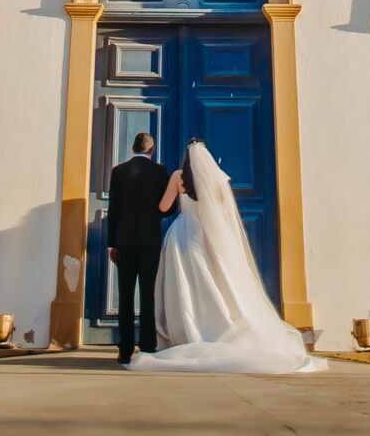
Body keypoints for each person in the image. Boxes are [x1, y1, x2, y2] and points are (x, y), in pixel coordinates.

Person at [129, 139, 326, 374]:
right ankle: (221, 325)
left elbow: (163, 207)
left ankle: (187, 331)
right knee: (216, 281)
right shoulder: (218, 177)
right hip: (210, 234)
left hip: (183, 235)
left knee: (185, 284)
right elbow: (224, 207)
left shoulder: (177, 177)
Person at [106, 131, 170, 365]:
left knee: (124, 295)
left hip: (124, 242)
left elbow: (113, 210)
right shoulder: (160, 172)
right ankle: (147, 346)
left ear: (133, 149)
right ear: (151, 150)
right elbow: (166, 208)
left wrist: (112, 244)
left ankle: (124, 348)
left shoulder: (119, 171)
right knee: (147, 294)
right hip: (150, 241)